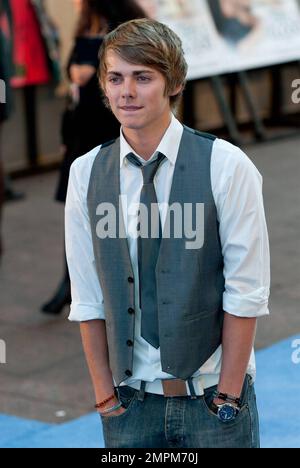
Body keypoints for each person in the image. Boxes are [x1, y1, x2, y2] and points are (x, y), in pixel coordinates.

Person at [65, 19, 270, 448]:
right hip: (128, 405)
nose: (126, 92)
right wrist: (104, 397)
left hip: (213, 400)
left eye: (143, 78)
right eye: (115, 78)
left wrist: (228, 395)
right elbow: (88, 298)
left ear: (173, 82)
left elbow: (246, 292)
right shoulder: (86, 173)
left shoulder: (227, 166)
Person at [41, 0, 146, 314]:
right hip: (80, 130)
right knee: (77, 210)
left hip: (109, 129)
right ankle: (71, 282)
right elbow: (71, 70)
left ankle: (122, 281)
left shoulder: (125, 28)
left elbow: (133, 73)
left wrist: (94, 69)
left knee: (116, 209)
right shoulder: (86, 26)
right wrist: (75, 71)